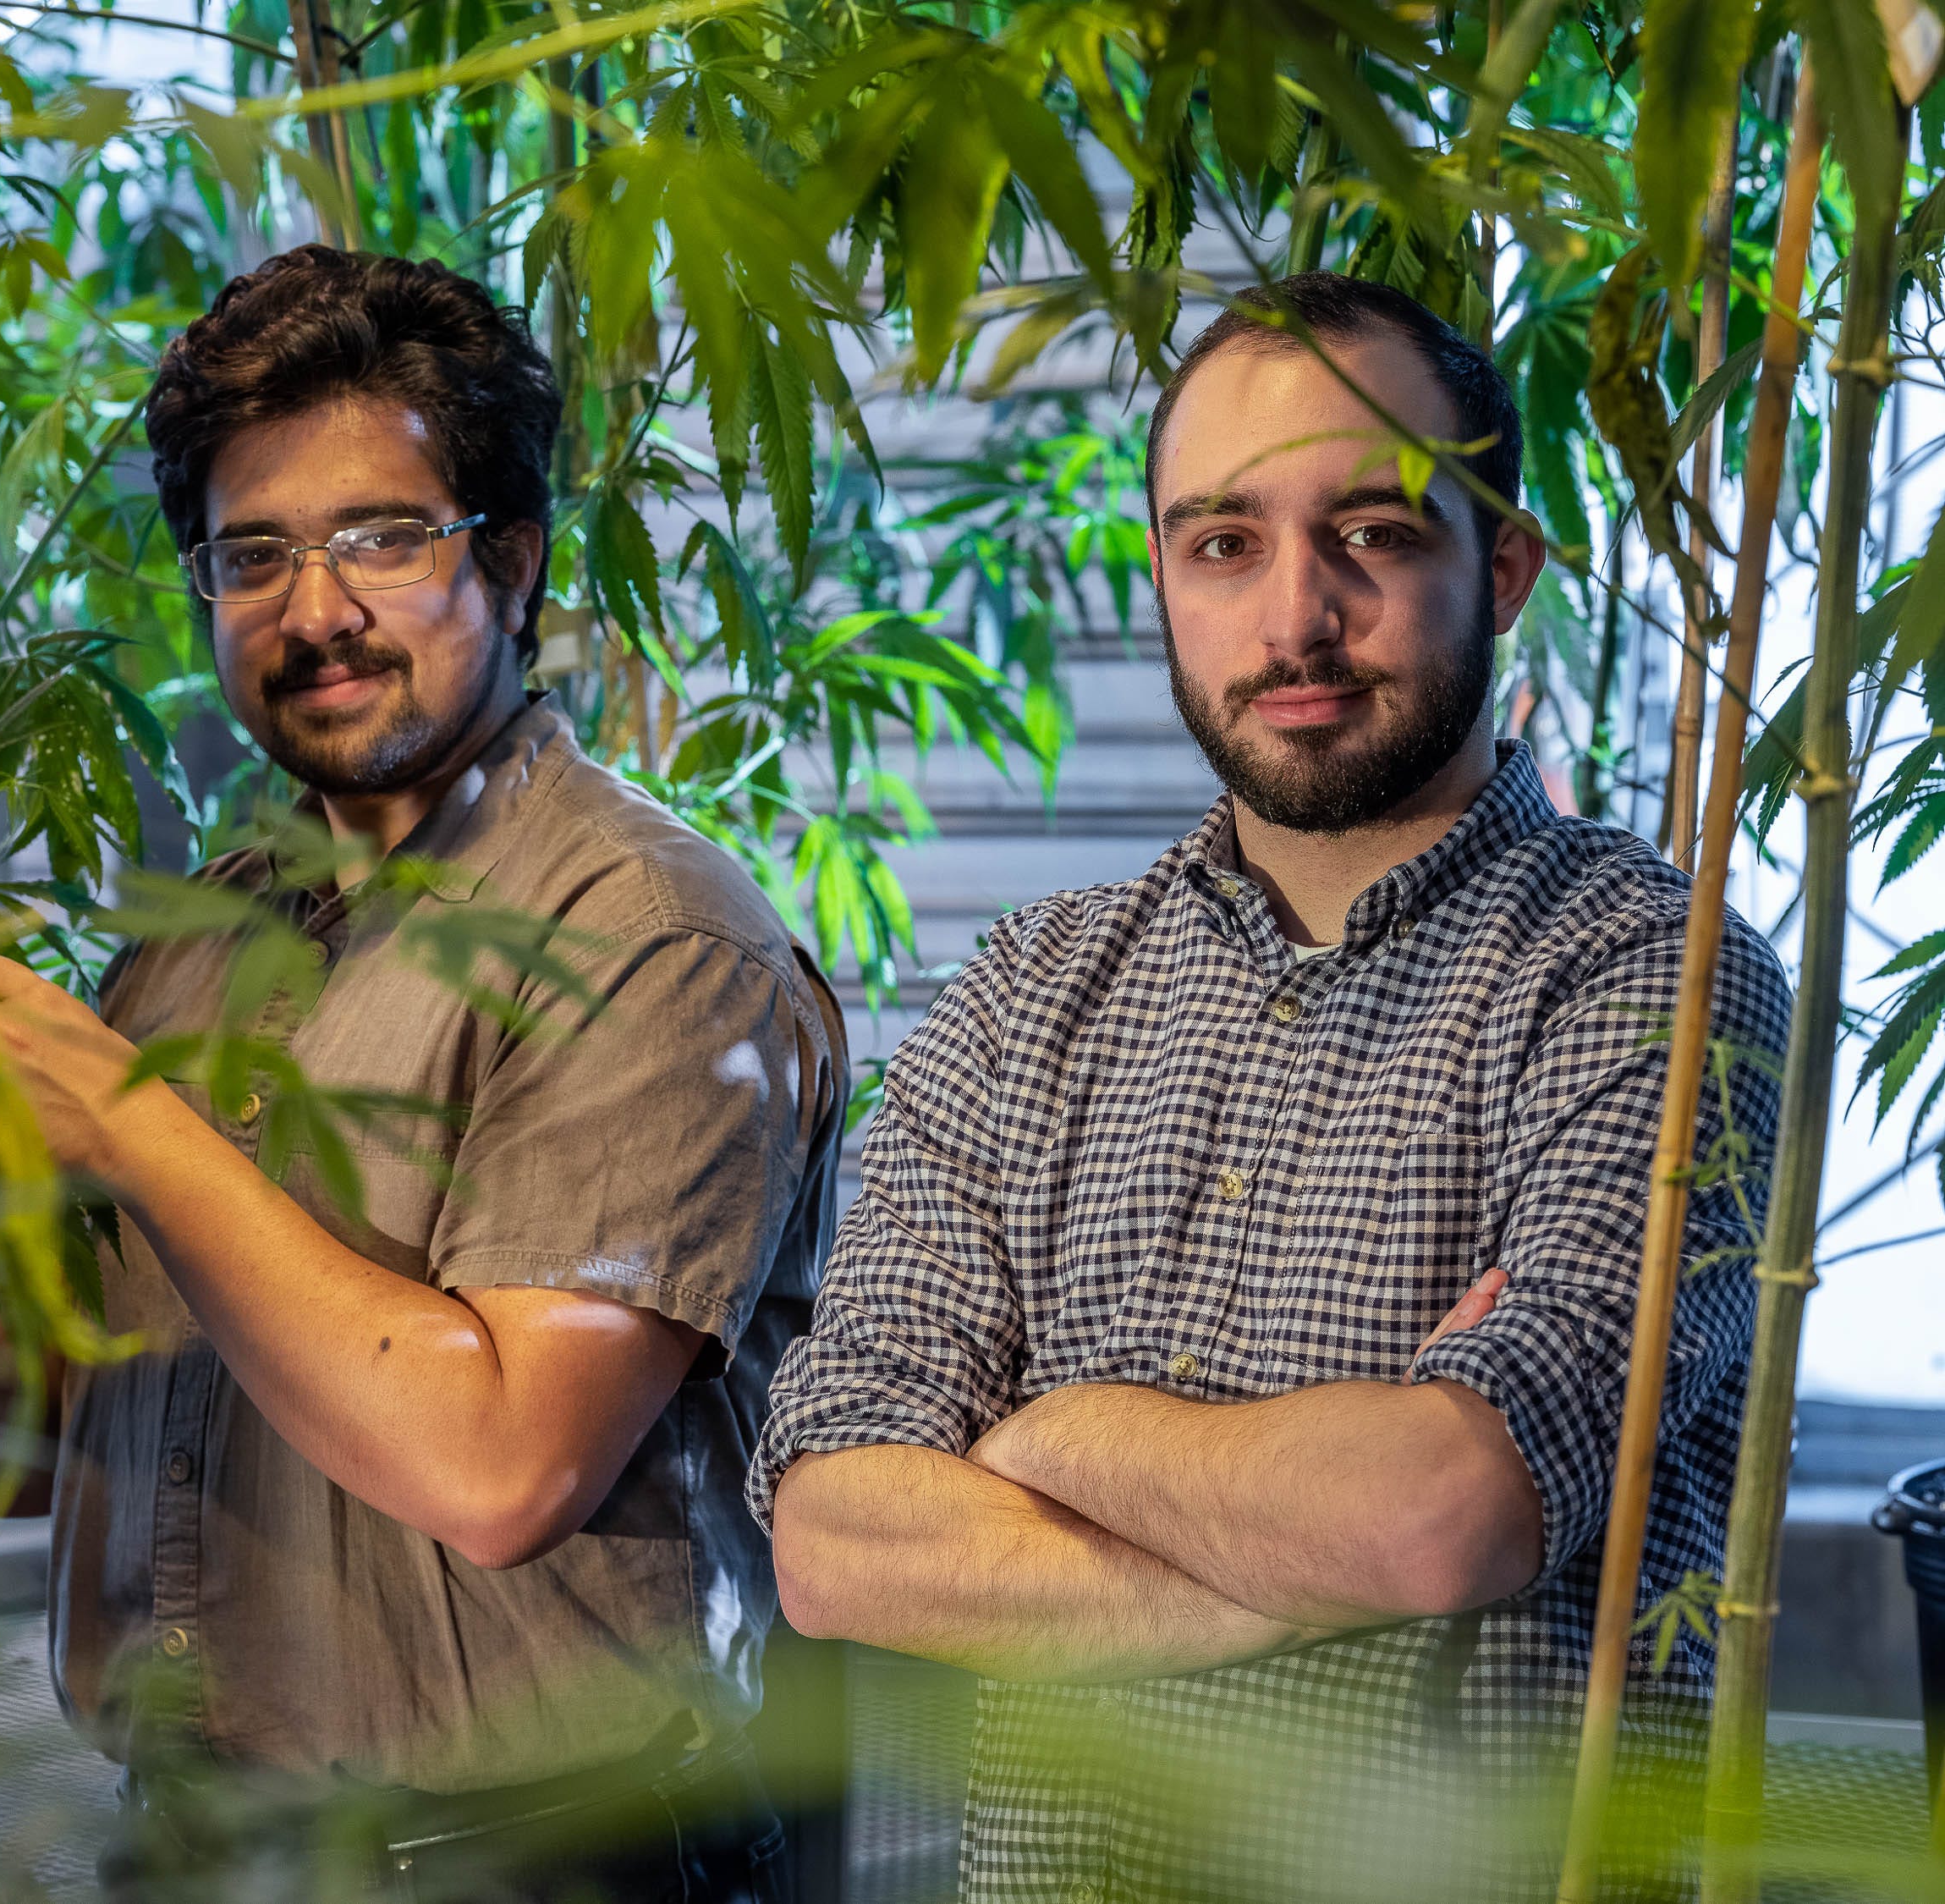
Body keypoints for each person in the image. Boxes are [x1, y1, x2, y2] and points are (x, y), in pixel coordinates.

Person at [749, 272, 1790, 1902]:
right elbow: (831, 1535)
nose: (1294, 617)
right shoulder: (1036, 990)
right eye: (1224, 543)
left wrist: (1055, 1430)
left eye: (1371, 532)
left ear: (1504, 563)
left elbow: (1448, 1516)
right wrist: (1337, 1525)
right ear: (1164, 574)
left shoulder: (1653, 973)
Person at [0, 246, 843, 1902]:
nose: (316, 611)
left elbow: (504, 1467)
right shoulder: (194, 944)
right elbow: (19, 1448)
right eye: (253, 557)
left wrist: (124, 1114)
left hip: (554, 1856)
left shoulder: (644, 928)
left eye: (382, 537)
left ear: (510, 561)